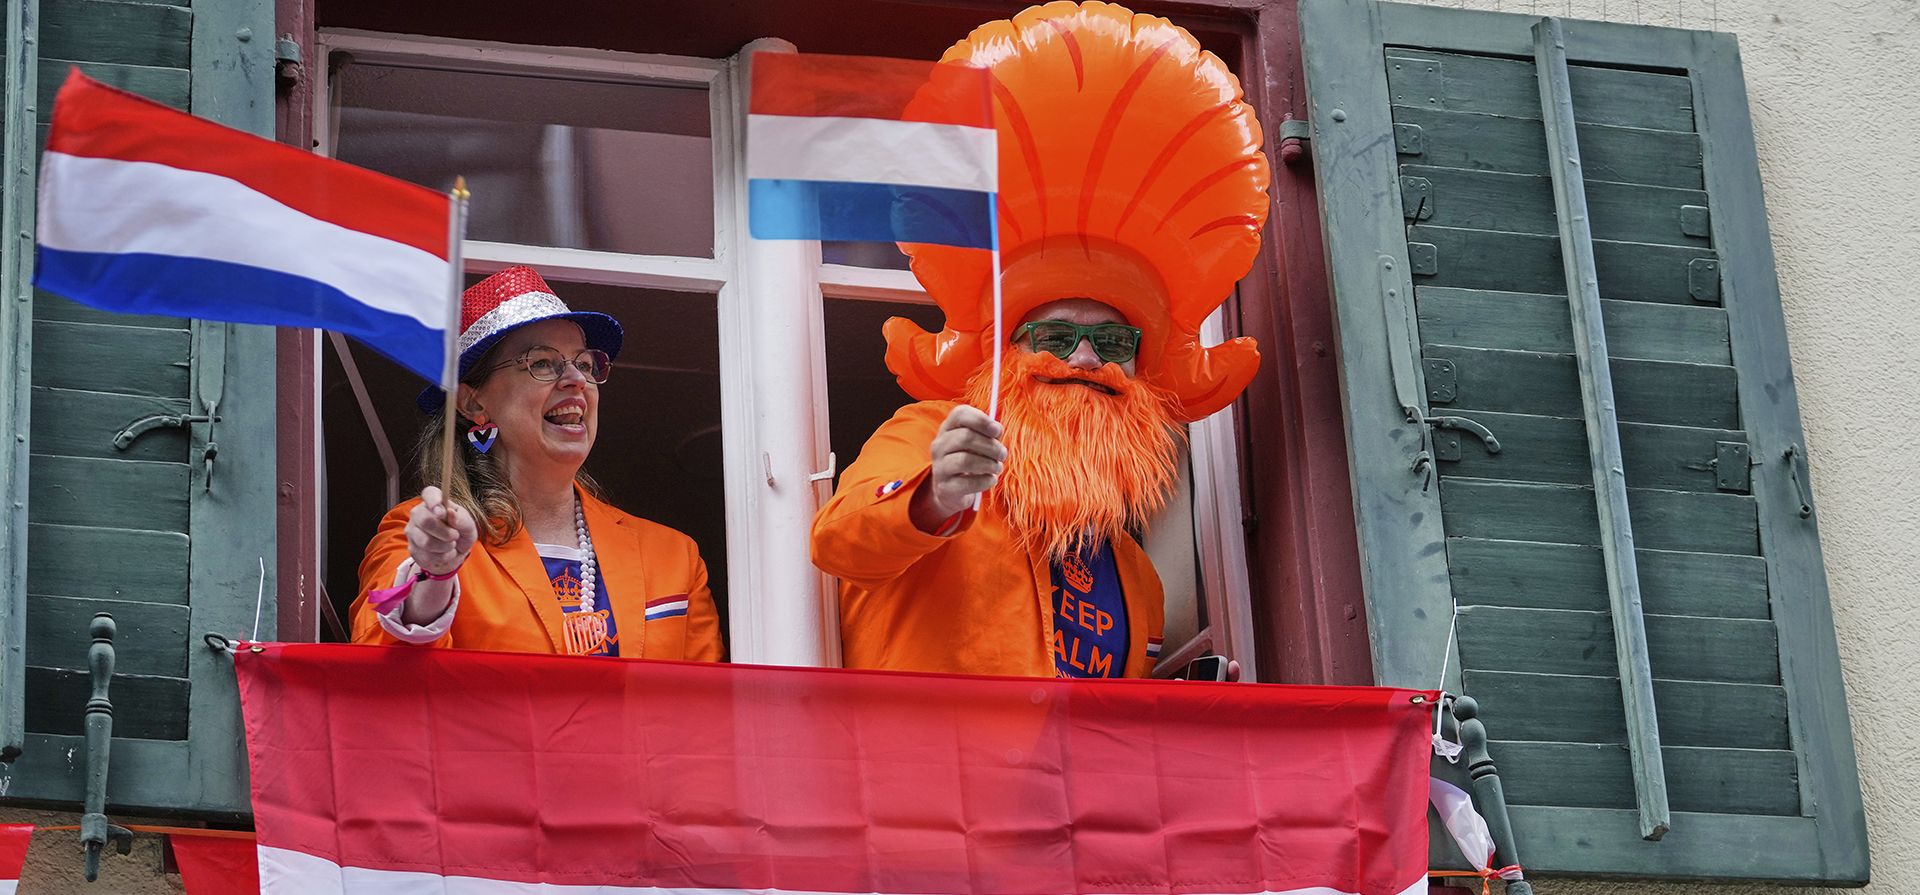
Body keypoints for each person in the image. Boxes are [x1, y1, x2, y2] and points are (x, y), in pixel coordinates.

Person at [810, 1, 1271, 679]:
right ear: (1009, 353)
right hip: (927, 785)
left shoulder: (1134, 574)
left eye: (1112, 342)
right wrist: (937, 493)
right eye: (1055, 335)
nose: (1085, 360)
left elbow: (1101, 726)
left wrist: (1180, 698)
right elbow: (840, 541)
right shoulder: (931, 433)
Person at [349, 266, 724, 660]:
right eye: (542, 363)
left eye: (585, 364)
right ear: (474, 402)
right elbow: (385, 674)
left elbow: (703, 709)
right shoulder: (423, 536)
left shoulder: (672, 556)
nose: (576, 379)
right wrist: (434, 578)